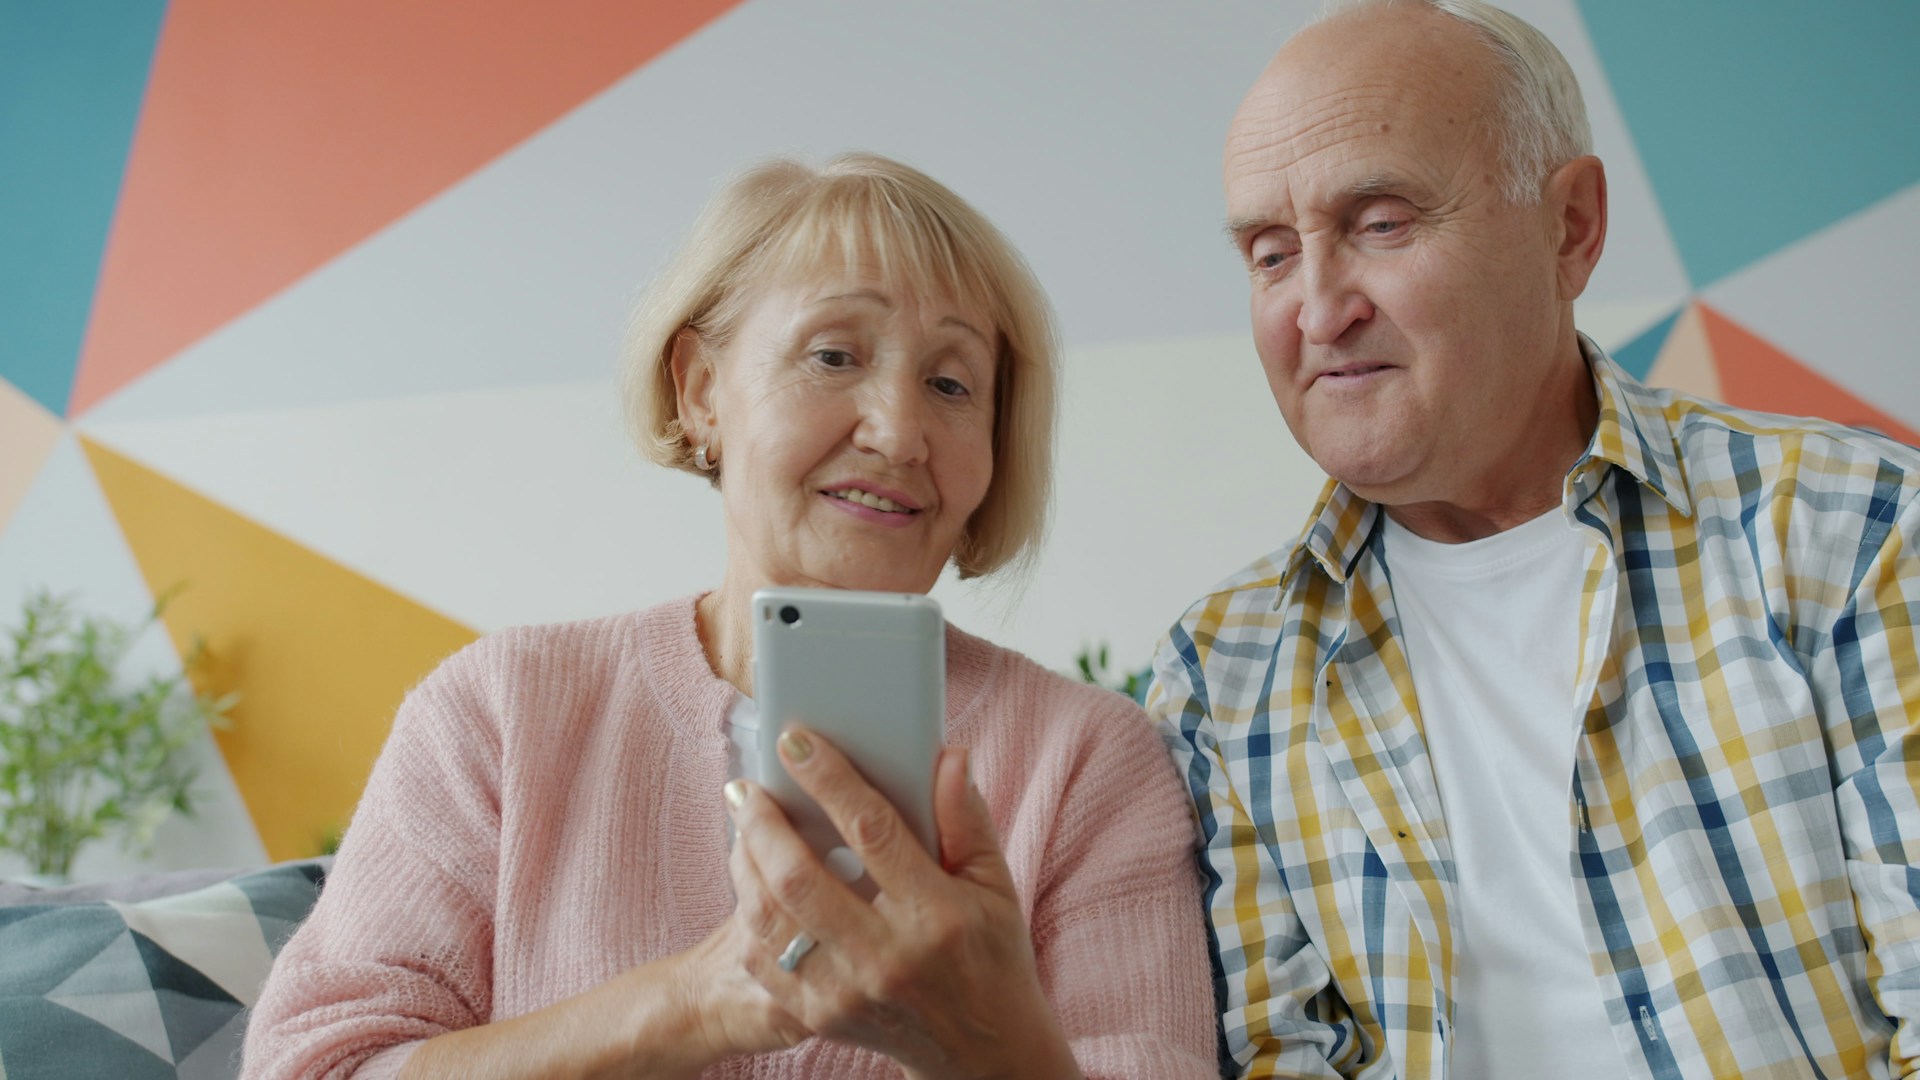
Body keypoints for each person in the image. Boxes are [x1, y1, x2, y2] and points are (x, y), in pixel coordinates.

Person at [243, 152, 1216, 1079]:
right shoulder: (501, 710)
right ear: (702, 390)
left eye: (952, 383)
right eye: (835, 355)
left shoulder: (1090, 764)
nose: (898, 430)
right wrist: (703, 1001)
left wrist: (995, 1050)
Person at [1148, 1, 1920, 1078]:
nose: (1318, 312)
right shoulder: (1219, 680)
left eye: (1380, 223)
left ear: (1571, 227)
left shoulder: (1858, 528)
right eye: (1272, 255)